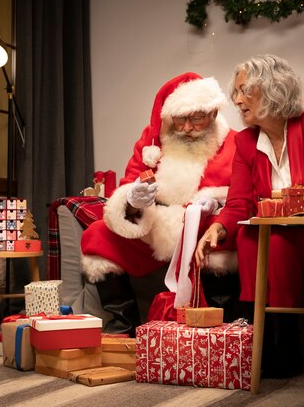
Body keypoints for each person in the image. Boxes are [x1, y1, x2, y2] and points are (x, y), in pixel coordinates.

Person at [195, 54, 304, 377]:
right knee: (251, 234)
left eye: (244, 91)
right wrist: (217, 229)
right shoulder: (245, 143)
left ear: (272, 89)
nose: (236, 100)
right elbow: (239, 203)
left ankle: (288, 339)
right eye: (236, 92)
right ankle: (257, 335)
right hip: (278, 237)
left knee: (276, 237)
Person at [81, 72, 239, 336]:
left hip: (204, 226)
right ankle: (123, 331)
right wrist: (133, 201)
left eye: (196, 118)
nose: (187, 127)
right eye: (180, 119)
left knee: (228, 237)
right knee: (99, 234)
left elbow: (242, 196)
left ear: (212, 113)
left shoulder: (234, 142)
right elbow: (129, 182)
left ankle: (219, 333)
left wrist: (217, 202)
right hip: (157, 224)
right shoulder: (152, 141)